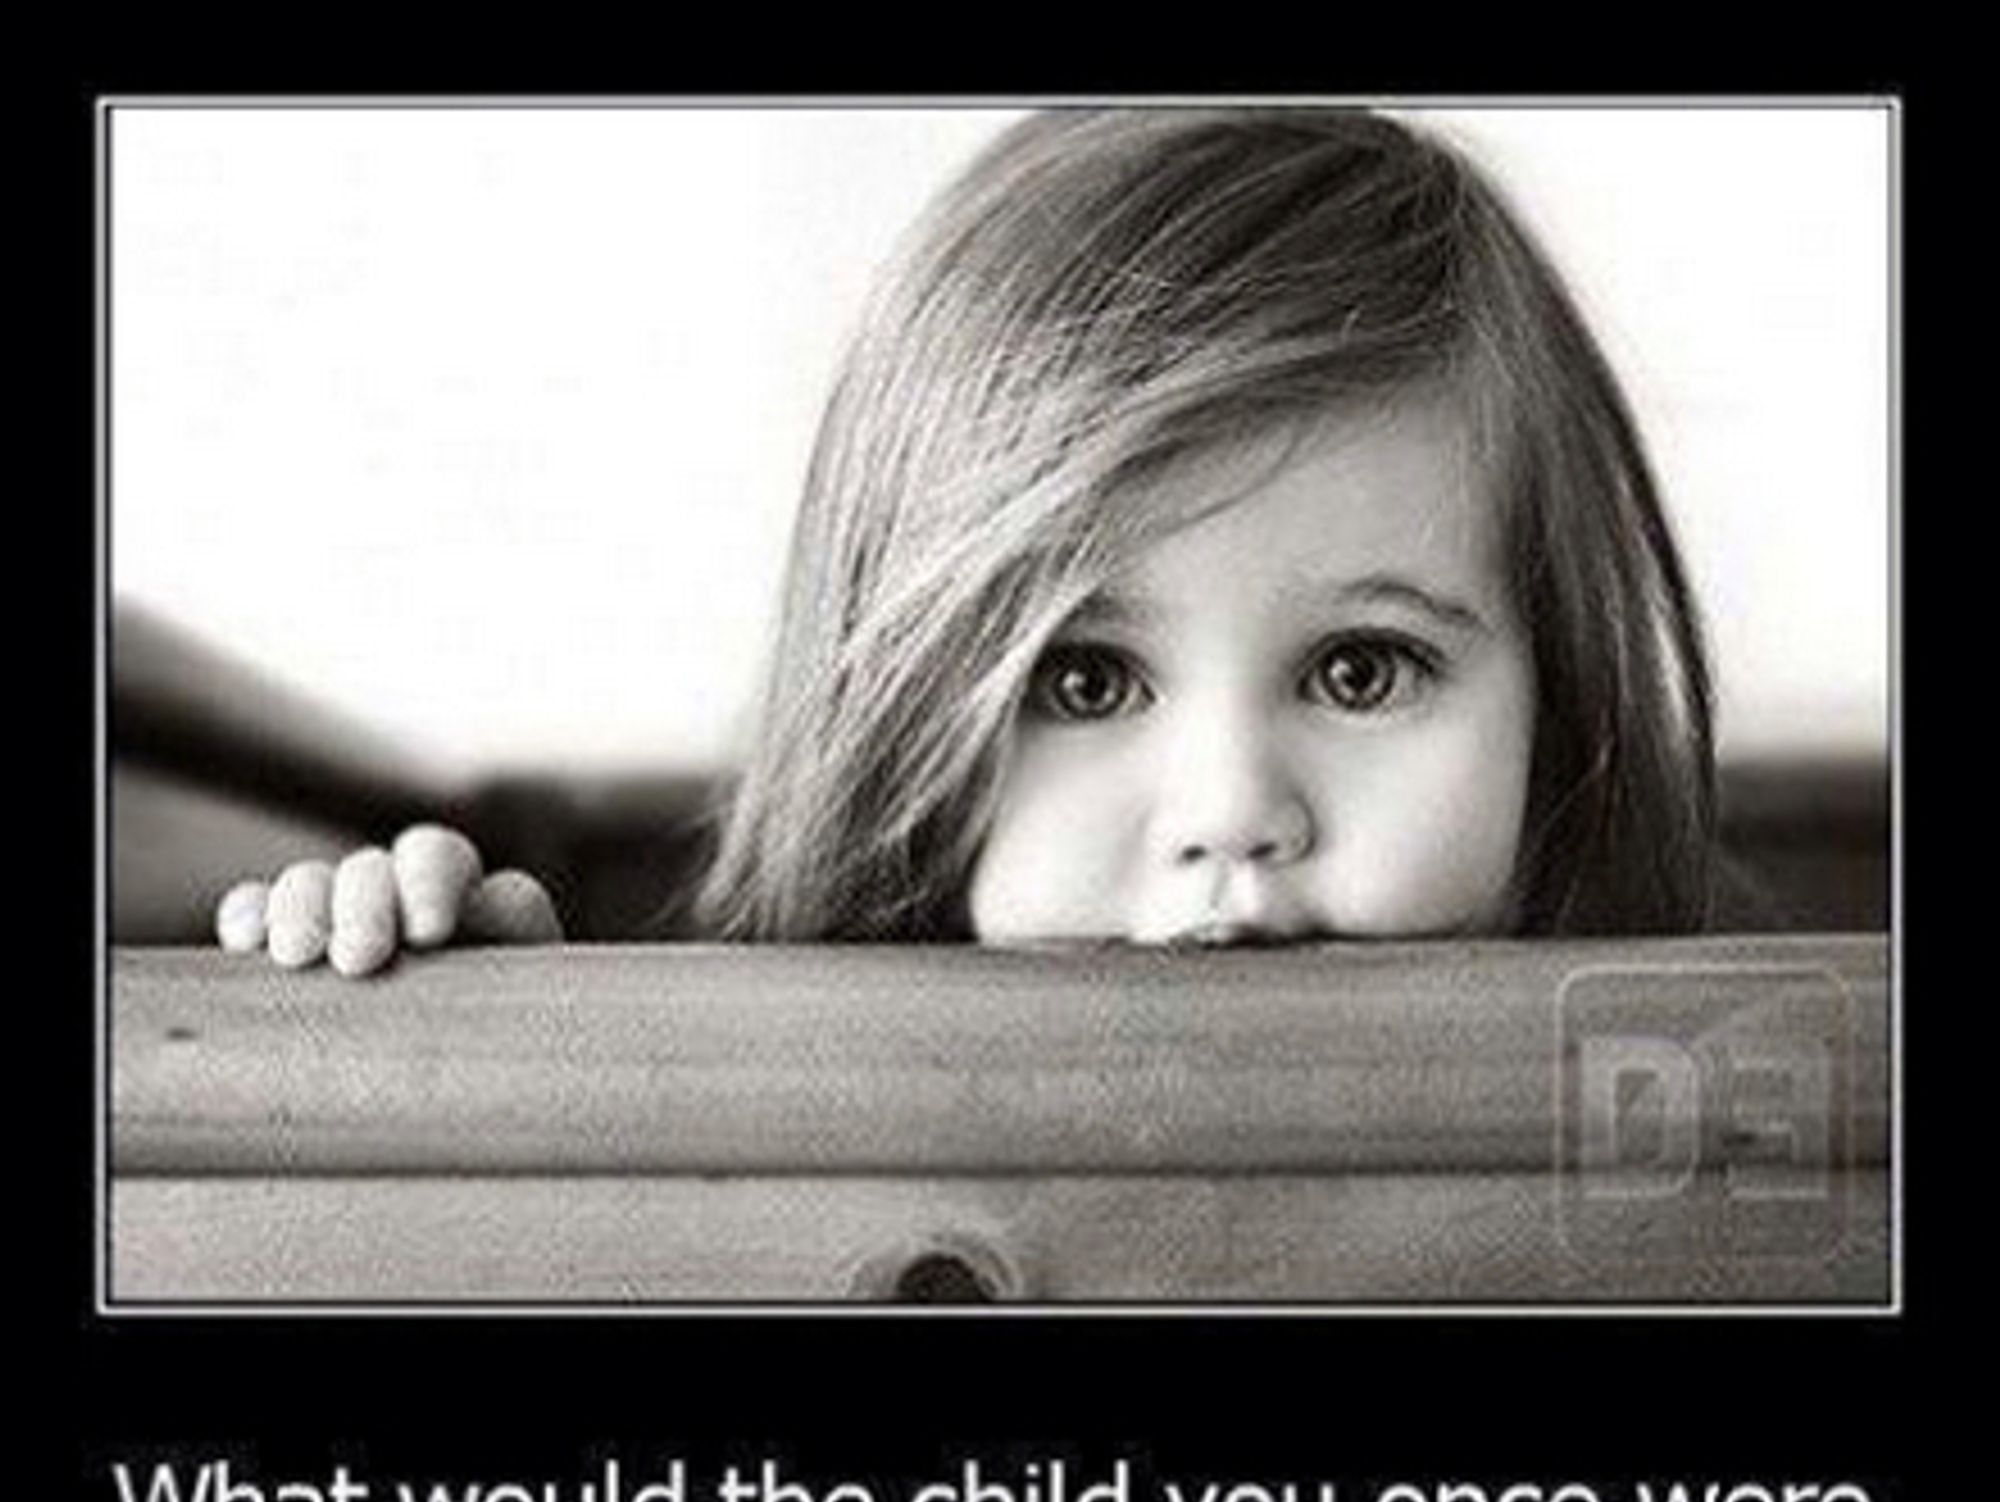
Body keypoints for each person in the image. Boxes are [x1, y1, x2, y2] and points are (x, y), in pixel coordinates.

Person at [215, 106, 1713, 973]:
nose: (1230, 815)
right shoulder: (783, 1137)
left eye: (1363, 670)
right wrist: (505, 1092)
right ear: (894, 728)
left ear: (1559, 713)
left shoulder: (1682, 1167)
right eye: (1085, 681)